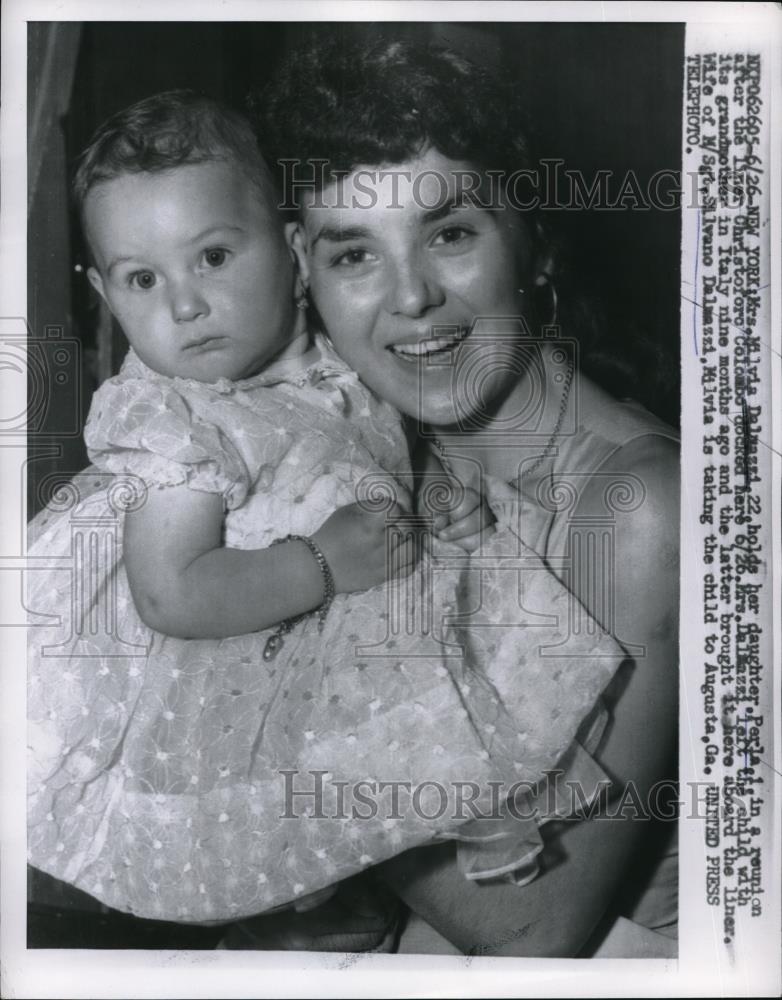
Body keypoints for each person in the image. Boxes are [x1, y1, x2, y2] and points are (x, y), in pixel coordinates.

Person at [26, 90, 625, 930]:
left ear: (291, 249)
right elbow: (173, 593)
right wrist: (319, 563)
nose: (184, 304)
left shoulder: (337, 360)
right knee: (293, 899)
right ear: (102, 291)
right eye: (141, 279)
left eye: (213, 258)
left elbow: (381, 469)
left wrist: (435, 508)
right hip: (219, 685)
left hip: (341, 653)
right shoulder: (176, 422)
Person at [255, 35, 680, 957]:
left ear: (532, 242)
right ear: (302, 268)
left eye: (450, 234)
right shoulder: (372, 448)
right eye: (355, 255)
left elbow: (536, 928)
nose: (410, 298)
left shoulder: (643, 509)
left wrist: (263, 755)